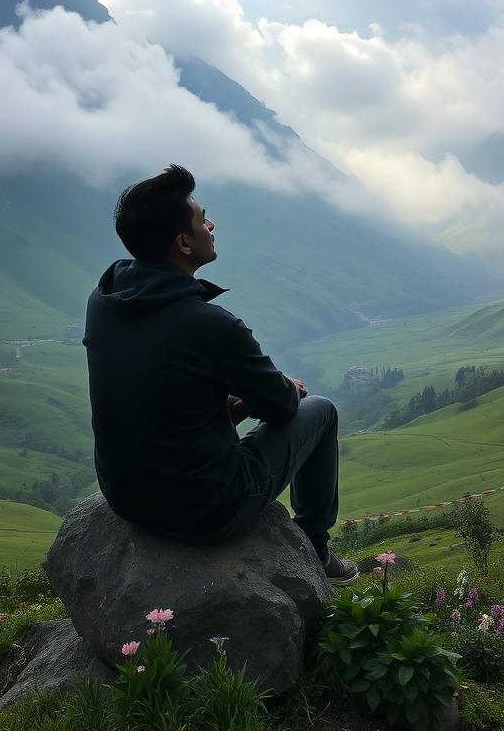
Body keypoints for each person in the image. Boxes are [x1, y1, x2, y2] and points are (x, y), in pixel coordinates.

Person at [83, 164, 358, 585]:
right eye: (201, 219)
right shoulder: (211, 325)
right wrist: (286, 389)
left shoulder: (104, 301)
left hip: (124, 495)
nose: (211, 225)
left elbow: (162, 390)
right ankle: (316, 550)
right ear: (183, 244)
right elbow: (282, 407)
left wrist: (238, 403)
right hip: (205, 509)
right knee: (321, 410)